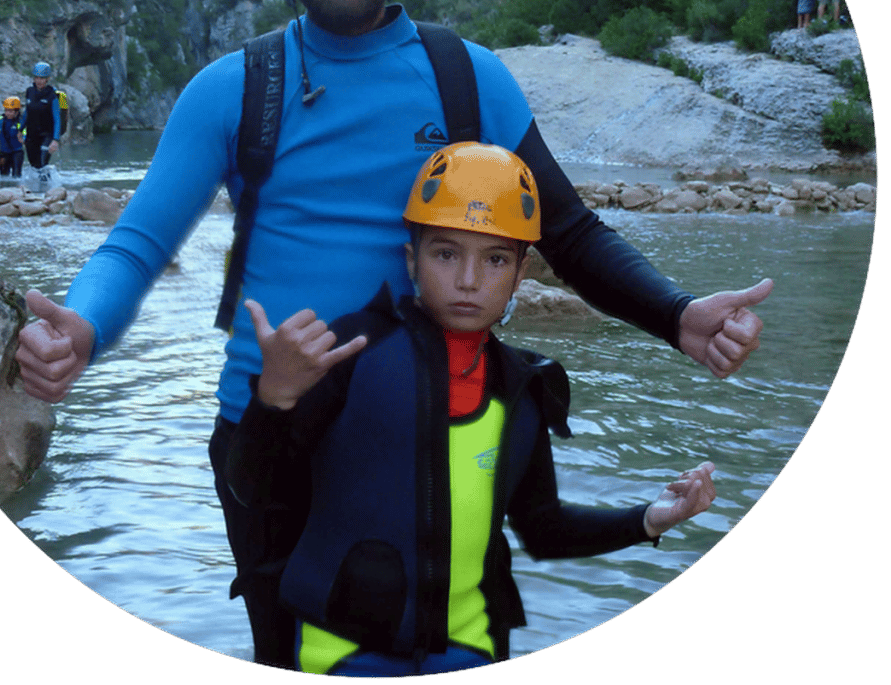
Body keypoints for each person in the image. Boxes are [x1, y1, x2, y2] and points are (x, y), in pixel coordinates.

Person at [14, 0, 772, 668]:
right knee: (287, 647)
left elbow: (565, 229)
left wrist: (677, 314)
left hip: (427, 432)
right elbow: (138, 244)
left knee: (435, 641)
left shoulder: (467, 77)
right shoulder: (235, 89)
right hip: (272, 430)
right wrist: (83, 325)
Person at [225, 142, 718, 675]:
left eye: (495, 258)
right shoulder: (349, 352)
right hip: (339, 653)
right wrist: (272, 398)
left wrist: (647, 520)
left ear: (521, 272)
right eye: (445, 253)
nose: (468, 280)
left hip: (473, 648)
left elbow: (543, 528)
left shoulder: (521, 386)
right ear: (412, 260)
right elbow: (254, 492)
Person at [23, 61, 60, 179]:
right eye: (36, 78)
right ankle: (37, 190)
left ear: (47, 79)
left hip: (47, 135)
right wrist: (19, 130)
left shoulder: (52, 95)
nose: (39, 81)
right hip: (31, 135)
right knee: (34, 165)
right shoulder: (29, 91)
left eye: (42, 78)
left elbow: (57, 119)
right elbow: (27, 113)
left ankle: (49, 191)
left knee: (43, 163)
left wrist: (55, 140)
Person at [0, 96, 26, 179]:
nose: (8, 113)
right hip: (4, 152)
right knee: (3, 175)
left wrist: (24, 139)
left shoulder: (20, 122)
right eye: (6, 111)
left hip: (17, 152)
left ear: (16, 112)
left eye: (10, 111)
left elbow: (25, 133)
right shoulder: (1, 121)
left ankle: (17, 190)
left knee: (16, 176)